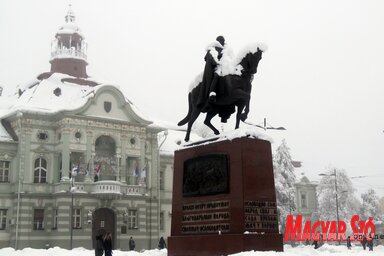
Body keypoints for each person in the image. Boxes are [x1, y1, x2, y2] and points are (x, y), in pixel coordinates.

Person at [197, 35, 226, 111]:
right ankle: (211, 94)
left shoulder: (221, 50)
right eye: (222, 41)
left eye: (223, 42)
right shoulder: (212, 50)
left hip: (217, 68)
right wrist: (219, 63)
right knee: (216, 77)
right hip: (211, 71)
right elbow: (214, 60)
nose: (223, 43)